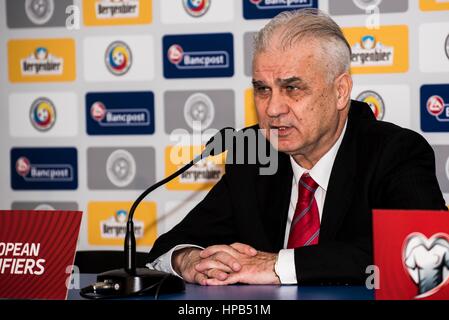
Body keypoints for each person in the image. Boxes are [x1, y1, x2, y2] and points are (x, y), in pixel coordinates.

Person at [147, 8, 447, 286]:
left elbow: (422, 260)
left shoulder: (395, 152)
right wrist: (190, 260)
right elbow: (171, 245)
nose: (273, 108)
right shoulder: (252, 153)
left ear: (340, 91)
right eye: (263, 89)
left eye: (292, 88)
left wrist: (276, 266)